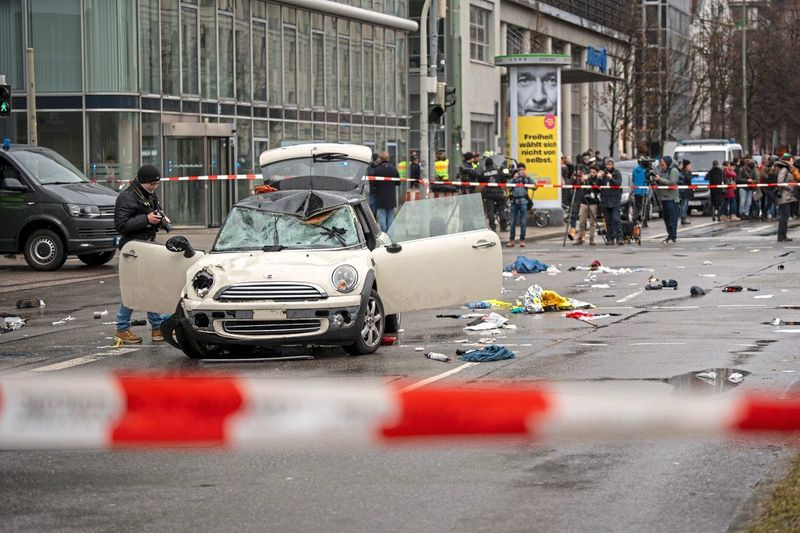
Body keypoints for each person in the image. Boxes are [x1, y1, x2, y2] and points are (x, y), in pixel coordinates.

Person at [113, 164, 170, 344]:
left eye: (157, 184)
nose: (154, 187)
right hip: (133, 249)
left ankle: (156, 328)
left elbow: (153, 212)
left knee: (148, 287)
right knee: (136, 288)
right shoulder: (126, 197)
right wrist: (146, 219)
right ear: (142, 181)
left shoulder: (148, 194)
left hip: (146, 246)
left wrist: (161, 220)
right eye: (152, 184)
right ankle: (123, 328)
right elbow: (121, 225)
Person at [507, 163, 535, 247]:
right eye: (519, 169)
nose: (521, 171)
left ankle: (522, 240)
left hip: (523, 201)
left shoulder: (526, 179)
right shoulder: (514, 178)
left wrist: (527, 176)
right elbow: (507, 185)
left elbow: (534, 185)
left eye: (523, 169)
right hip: (514, 202)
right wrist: (513, 178)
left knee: (523, 222)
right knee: (512, 222)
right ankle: (511, 240)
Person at [371, 151, 400, 231]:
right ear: (388, 158)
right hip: (391, 196)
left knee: (382, 216)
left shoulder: (377, 170)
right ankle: (391, 234)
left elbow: (374, 184)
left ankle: (384, 234)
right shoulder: (393, 169)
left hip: (381, 196)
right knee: (390, 216)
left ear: (380, 159)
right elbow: (398, 182)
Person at [599, 158, 624, 245]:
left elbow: (618, 184)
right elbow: (599, 185)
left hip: (614, 200)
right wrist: (599, 177)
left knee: (616, 219)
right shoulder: (604, 173)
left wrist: (611, 178)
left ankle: (620, 237)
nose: (608, 166)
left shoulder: (616, 173)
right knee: (608, 221)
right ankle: (610, 238)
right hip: (605, 200)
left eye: (610, 164)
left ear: (613, 165)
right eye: (607, 164)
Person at [655, 155, 680, 243]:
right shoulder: (662, 171)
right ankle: (670, 234)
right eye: (660, 165)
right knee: (666, 218)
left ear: (668, 163)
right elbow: (662, 182)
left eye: (663, 164)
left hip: (672, 198)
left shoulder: (673, 171)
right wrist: (656, 180)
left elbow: (672, 182)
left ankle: (673, 236)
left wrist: (660, 179)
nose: (661, 166)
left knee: (672, 218)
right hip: (664, 198)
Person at [479, 157, 506, 233]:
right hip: (498, 193)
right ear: (492, 164)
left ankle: (493, 227)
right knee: (501, 209)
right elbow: (504, 180)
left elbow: (480, 182)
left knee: (490, 210)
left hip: (489, 194)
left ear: (486, 165)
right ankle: (503, 227)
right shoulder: (498, 171)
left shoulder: (484, 173)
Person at [574, 168, 599, 245]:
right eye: (591, 172)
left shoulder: (597, 180)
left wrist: (589, 179)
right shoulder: (585, 179)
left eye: (593, 172)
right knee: (581, 222)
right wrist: (580, 180)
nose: (592, 173)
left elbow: (597, 189)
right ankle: (580, 238)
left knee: (592, 222)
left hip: (593, 203)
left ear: (596, 173)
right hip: (584, 202)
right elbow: (578, 187)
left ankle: (591, 239)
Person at [775, 154, 797, 242]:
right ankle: (781, 236)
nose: (793, 162)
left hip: (787, 195)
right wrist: (789, 187)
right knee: (784, 216)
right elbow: (780, 181)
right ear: (788, 160)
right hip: (784, 195)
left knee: (785, 216)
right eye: (792, 160)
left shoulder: (787, 168)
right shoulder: (784, 168)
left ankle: (783, 235)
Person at [632, 158, 651, 226]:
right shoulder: (645, 171)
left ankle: (635, 217)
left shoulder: (634, 170)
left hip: (636, 191)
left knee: (637, 206)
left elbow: (633, 180)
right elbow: (650, 179)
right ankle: (644, 222)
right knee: (645, 206)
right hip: (644, 191)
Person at [678, 159, 693, 225]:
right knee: (683, 205)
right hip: (683, 191)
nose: (690, 167)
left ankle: (684, 217)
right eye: (689, 165)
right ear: (686, 166)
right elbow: (687, 179)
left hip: (688, 191)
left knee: (686, 205)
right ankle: (683, 217)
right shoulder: (682, 173)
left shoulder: (688, 172)